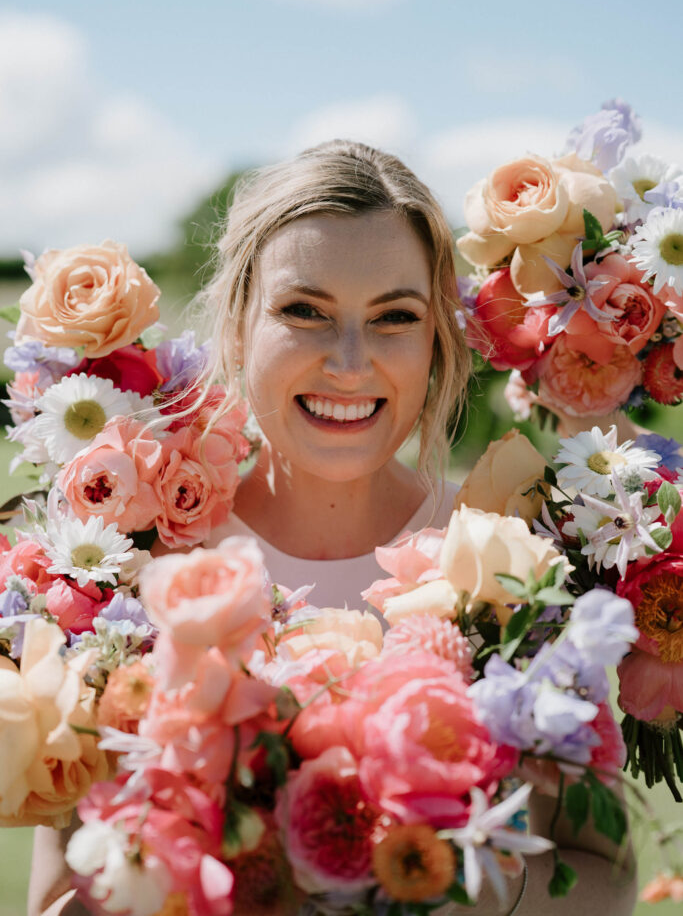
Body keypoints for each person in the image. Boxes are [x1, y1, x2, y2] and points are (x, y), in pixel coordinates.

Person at [29, 141, 637, 915]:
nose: (348, 364)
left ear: (434, 343)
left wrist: (455, 885)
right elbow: (49, 895)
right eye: (304, 311)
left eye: (393, 318)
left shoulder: (512, 558)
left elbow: (609, 874)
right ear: (241, 323)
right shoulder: (125, 569)